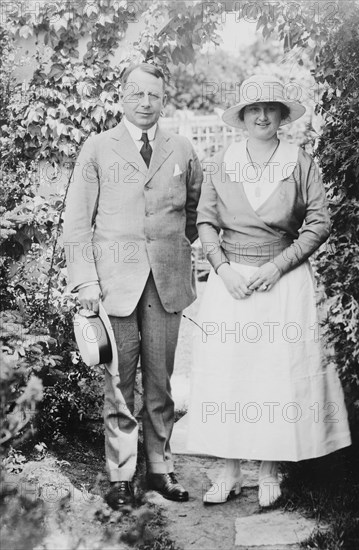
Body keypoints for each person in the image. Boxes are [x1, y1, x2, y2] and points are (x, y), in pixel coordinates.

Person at [186, 75, 351, 507]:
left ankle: (270, 469)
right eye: (253, 108)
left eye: (270, 108)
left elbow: (319, 222)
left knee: (276, 375)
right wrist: (222, 269)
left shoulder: (300, 161)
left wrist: (278, 266)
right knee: (228, 374)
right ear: (241, 116)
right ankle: (228, 469)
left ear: (281, 115)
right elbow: (206, 220)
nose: (262, 115)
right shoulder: (222, 161)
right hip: (232, 284)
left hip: (284, 280)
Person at [63, 62, 202, 509]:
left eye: (154, 96)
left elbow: (196, 212)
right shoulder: (99, 148)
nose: (145, 103)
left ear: (164, 99)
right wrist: (85, 278)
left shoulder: (181, 148)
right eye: (137, 94)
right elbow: (77, 220)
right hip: (113, 285)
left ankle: (159, 470)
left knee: (160, 382)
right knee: (120, 383)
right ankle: (121, 476)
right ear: (121, 96)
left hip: (166, 284)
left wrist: (171, 249)